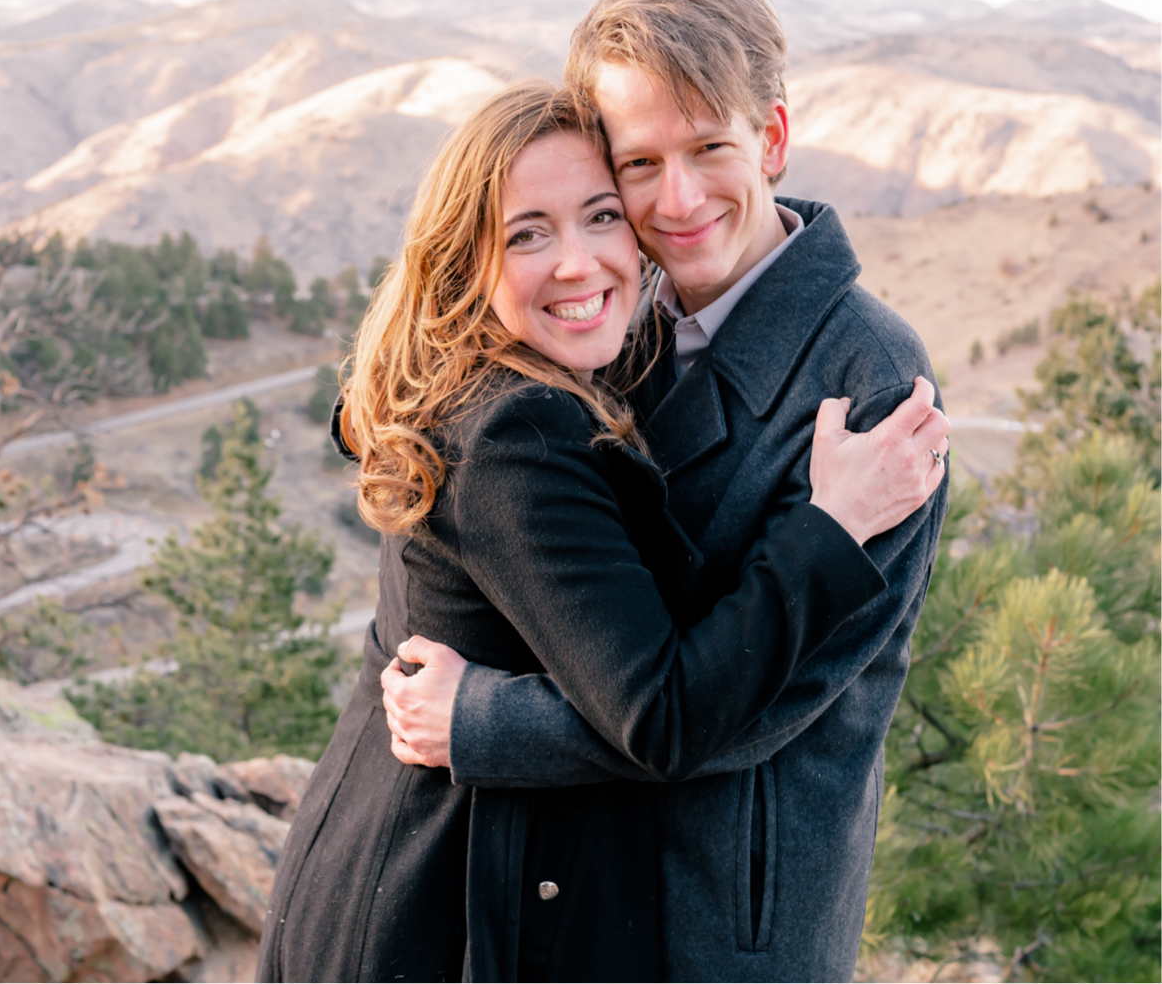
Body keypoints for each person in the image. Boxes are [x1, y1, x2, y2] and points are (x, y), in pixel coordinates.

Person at [255, 78, 947, 982]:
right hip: (428, 899)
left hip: (445, 868)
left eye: (599, 216)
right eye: (527, 234)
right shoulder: (518, 426)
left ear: (772, 139)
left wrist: (483, 717)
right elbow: (664, 712)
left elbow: (735, 705)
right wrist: (832, 526)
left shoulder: (860, 381)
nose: (579, 263)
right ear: (466, 260)